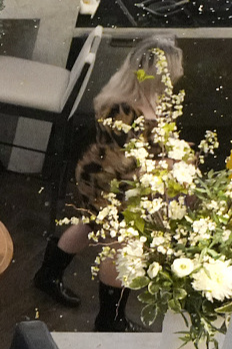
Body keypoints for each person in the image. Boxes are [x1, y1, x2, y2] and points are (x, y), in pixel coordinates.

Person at [30, 34, 181, 331]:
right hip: (115, 184)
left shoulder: (123, 91)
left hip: (97, 173)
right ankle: (110, 319)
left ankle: (47, 276)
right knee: (120, 245)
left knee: (89, 225)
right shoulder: (130, 110)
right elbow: (132, 160)